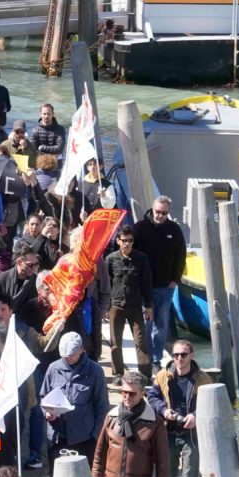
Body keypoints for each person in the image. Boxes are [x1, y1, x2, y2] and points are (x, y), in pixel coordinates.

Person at [151, 340, 211, 477]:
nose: (178, 359)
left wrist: (195, 414)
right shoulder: (162, 376)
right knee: (167, 475)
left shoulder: (203, 379)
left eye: (183, 355)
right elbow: (152, 397)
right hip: (168, 432)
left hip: (190, 436)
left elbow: (213, 403)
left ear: (191, 355)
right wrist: (164, 410)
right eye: (175, 355)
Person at [133, 195, 187, 367]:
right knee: (146, 323)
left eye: (164, 213)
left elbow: (181, 255)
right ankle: (147, 357)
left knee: (162, 323)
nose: (161, 216)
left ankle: (156, 356)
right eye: (158, 212)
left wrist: (175, 279)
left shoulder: (174, 229)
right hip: (145, 287)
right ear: (152, 209)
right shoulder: (140, 228)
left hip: (165, 286)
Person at [41, 331, 108, 461]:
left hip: (84, 439)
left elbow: (102, 406)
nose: (67, 358)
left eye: (71, 355)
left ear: (81, 350)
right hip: (57, 437)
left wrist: (95, 436)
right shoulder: (53, 369)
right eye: (64, 356)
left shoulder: (95, 371)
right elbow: (43, 397)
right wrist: (46, 413)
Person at [101, 223, 155, 376]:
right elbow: (106, 285)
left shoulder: (141, 259)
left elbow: (147, 284)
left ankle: (145, 374)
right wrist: (106, 307)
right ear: (118, 240)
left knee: (140, 341)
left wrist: (149, 306)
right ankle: (117, 373)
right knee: (115, 343)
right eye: (124, 240)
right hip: (116, 306)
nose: (127, 243)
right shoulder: (110, 259)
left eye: (130, 240)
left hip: (135, 306)